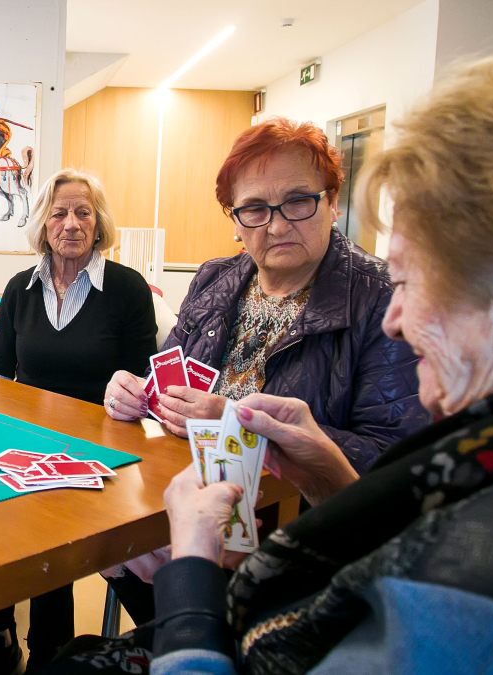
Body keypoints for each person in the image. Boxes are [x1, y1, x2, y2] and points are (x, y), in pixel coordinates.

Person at [146, 33, 493, 675]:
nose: (398, 318)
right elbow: (391, 537)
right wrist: (324, 472)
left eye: (409, 280)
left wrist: (190, 570)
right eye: (253, 210)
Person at [98, 117, 429, 624]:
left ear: (332, 202)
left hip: (302, 545)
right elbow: (169, 382)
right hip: (187, 503)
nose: (275, 225)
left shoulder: (383, 297)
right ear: (235, 220)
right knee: (110, 549)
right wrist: (135, 393)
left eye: (298, 201)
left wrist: (236, 423)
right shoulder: (215, 279)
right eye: (254, 208)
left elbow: (395, 462)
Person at [0, 168, 158, 675]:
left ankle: (49, 653)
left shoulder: (127, 289)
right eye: (59, 213)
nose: (71, 223)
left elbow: (147, 382)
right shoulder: (19, 289)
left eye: (83, 212)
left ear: (99, 224)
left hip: (99, 452)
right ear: (42, 224)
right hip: (24, 444)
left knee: (49, 519)